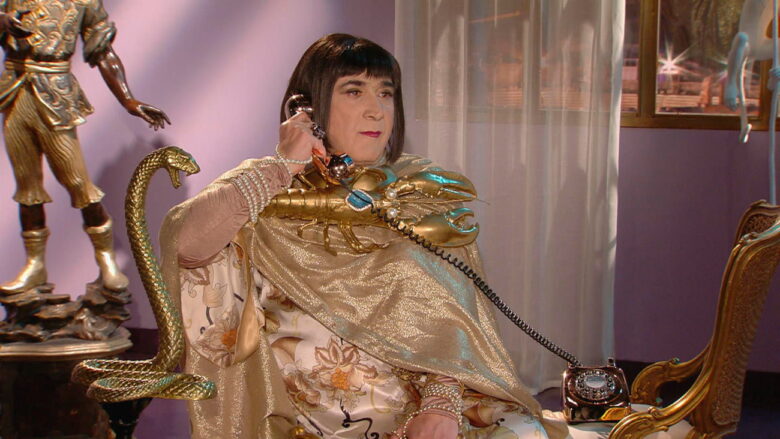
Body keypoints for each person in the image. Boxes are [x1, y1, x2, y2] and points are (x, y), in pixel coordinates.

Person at [162, 33, 568, 439]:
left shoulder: (420, 193)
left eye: (386, 93)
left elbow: (455, 323)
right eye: (354, 91)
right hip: (305, 422)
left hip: (426, 409)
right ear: (307, 107)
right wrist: (283, 166)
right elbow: (186, 248)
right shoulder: (261, 190)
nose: (377, 111)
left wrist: (441, 403)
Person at [0, 0, 169, 294]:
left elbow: (103, 52)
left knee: (78, 183)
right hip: (15, 91)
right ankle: (35, 265)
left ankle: (106, 260)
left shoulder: (83, 2)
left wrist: (128, 99)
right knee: (27, 187)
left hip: (56, 94)